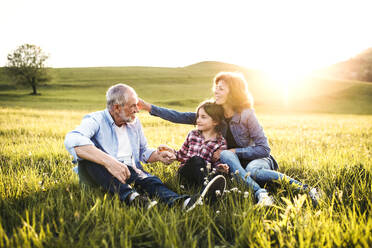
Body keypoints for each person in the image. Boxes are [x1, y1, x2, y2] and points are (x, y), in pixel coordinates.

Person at [139, 72, 320, 206]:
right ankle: (259, 191)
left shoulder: (247, 114)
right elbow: (180, 116)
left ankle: (304, 190)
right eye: (215, 87)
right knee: (228, 159)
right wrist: (150, 108)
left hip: (257, 159)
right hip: (232, 165)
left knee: (252, 171)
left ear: (232, 92)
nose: (215, 91)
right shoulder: (215, 114)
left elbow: (264, 149)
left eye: (221, 88)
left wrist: (234, 151)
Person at [64, 83, 226, 211]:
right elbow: (73, 139)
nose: (137, 110)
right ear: (116, 108)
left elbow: (142, 152)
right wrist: (110, 163)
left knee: (151, 181)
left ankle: (184, 203)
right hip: (101, 174)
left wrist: (157, 155)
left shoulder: (134, 123)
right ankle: (132, 197)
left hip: (131, 171)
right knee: (88, 159)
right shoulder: (96, 120)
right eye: (132, 106)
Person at [159, 100, 229, 187]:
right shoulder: (192, 134)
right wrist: (172, 152)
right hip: (185, 173)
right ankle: (207, 187)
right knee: (197, 160)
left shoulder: (220, 142)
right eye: (198, 116)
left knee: (213, 172)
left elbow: (216, 164)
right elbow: (182, 155)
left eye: (203, 117)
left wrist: (220, 167)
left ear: (215, 121)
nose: (198, 120)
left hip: (204, 174)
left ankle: (206, 186)